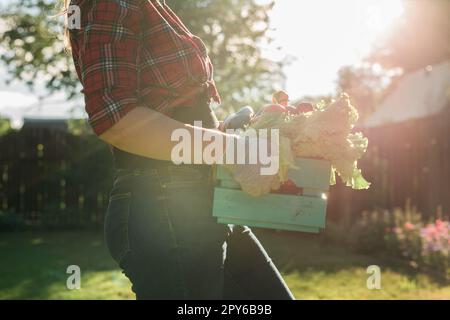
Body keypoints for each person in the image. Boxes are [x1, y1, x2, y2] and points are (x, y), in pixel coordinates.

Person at [64, 0, 294, 300]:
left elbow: (166, 108)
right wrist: (231, 149)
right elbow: (115, 118)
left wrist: (227, 134)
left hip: (206, 201)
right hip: (165, 210)